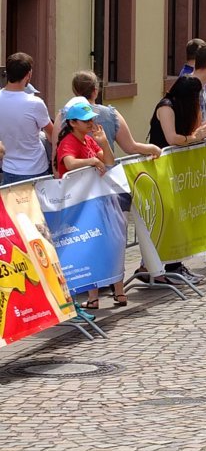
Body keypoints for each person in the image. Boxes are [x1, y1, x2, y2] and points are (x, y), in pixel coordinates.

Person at [146, 76, 206, 282]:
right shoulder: (166, 106)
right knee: (168, 219)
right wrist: (196, 137)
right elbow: (172, 138)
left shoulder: (184, 107)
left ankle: (175, 264)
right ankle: (162, 266)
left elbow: (188, 133)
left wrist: (201, 132)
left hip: (178, 169)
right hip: (161, 167)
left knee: (180, 218)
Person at [55, 101, 120, 309]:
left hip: (90, 203)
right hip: (74, 205)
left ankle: (97, 297)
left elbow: (109, 161)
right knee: (82, 248)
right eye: (86, 120)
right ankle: (80, 298)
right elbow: (70, 163)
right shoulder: (69, 141)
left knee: (98, 244)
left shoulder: (89, 140)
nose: (91, 122)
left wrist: (104, 144)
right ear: (73, 123)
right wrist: (92, 162)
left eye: (92, 118)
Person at [53, 71, 161, 161]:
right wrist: (154, 149)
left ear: (75, 92)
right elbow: (131, 147)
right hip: (104, 176)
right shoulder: (111, 114)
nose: (90, 123)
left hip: (75, 179)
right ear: (95, 91)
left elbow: (55, 153)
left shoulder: (63, 116)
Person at [0, 53, 54, 184]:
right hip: (35, 168)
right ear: (28, 75)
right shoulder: (35, 103)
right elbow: (53, 135)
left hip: (9, 168)